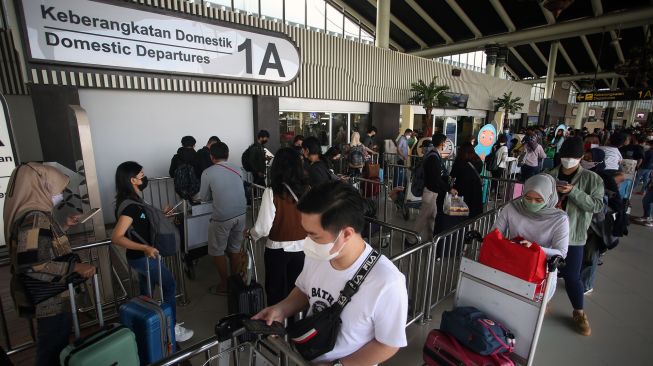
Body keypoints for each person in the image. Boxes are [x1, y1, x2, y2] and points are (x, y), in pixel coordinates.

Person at [253, 181, 408, 365]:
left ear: (347, 234)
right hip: (307, 356)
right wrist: (280, 309)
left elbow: (388, 345)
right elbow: (304, 289)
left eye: (314, 235)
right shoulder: (318, 254)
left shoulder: (387, 282)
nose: (307, 241)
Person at [4, 163, 96, 365]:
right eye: (59, 190)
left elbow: (39, 246)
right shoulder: (35, 217)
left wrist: (63, 226)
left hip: (49, 297)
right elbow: (32, 265)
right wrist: (76, 267)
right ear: (41, 186)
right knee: (52, 348)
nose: (61, 195)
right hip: (50, 299)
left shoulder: (29, 214)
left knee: (53, 343)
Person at [112, 161, 194, 342]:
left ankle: (148, 327)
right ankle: (170, 330)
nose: (144, 177)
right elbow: (117, 237)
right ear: (133, 180)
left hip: (141, 257)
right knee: (170, 285)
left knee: (146, 293)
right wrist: (146, 248)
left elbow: (140, 227)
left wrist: (162, 217)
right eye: (141, 175)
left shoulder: (133, 201)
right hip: (144, 257)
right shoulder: (131, 206)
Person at [547, 137, 604, 337]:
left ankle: (579, 312)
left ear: (581, 157)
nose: (568, 160)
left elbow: (596, 206)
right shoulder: (549, 175)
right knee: (542, 273)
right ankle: (541, 303)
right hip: (547, 234)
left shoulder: (592, 179)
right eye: (565, 156)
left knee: (572, 276)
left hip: (574, 236)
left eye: (573, 157)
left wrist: (573, 192)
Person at [493, 174, 569, 300]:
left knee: (531, 311)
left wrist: (535, 248)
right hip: (511, 263)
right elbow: (495, 233)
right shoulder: (512, 207)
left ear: (549, 197)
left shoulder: (559, 219)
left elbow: (561, 252)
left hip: (540, 272)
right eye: (527, 198)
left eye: (539, 200)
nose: (532, 203)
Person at [248, 148, 308, 306]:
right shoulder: (307, 189)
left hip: (278, 250)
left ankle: (277, 328)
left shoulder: (272, 191)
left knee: (276, 293)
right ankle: (297, 325)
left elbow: (263, 228)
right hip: (305, 249)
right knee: (299, 292)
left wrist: (251, 234)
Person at [198, 142, 247, 295]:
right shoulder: (238, 169)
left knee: (217, 250)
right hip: (242, 214)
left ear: (211, 157)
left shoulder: (207, 172)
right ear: (227, 154)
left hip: (222, 217)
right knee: (234, 248)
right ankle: (236, 281)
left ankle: (224, 285)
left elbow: (204, 197)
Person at [413, 135, 449, 242]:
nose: (446, 145)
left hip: (432, 193)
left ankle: (431, 240)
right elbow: (436, 179)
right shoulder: (433, 157)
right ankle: (410, 239)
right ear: (442, 143)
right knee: (422, 219)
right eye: (445, 143)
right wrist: (448, 188)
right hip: (430, 193)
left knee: (431, 219)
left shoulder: (434, 155)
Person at [449, 145, 483, 219]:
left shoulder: (459, 161)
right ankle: (471, 226)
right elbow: (479, 170)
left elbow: (452, 174)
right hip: (475, 189)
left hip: (462, 189)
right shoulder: (477, 159)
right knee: (473, 211)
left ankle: (461, 227)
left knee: (461, 212)